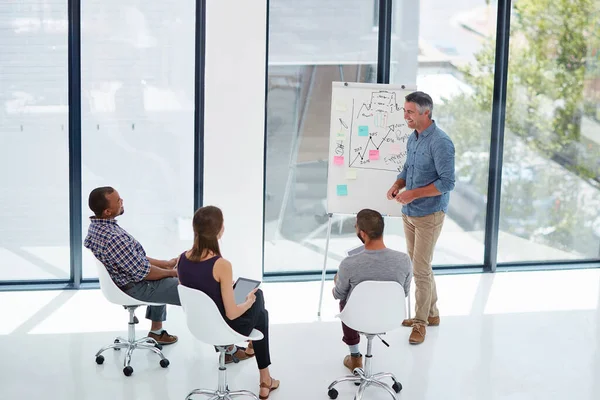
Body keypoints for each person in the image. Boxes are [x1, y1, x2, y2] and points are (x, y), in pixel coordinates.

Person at [177, 206, 280, 400]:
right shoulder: (221, 265)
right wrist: (249, 301)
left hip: (199, 325)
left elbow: (198, 291)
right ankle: (265, 379)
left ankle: (252, 353)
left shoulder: (182, 259)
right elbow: (232, 314)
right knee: (259, 302)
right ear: (219, 230)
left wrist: (224, 287)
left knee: (259, 312)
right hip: (226, 327)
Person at [386, 91, 455, 345]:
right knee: (421, 266)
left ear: (426, 113)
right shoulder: (412, 139)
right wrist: (398, 184)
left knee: (420, 269)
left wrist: (413, 194)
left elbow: (447, 183)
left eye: (410, 112)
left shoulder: (441, 142)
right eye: (405, 111)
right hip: (410, 213)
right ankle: (431, 314)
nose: (405, 116)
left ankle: (420, 322)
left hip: (429, 214)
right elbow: (407, 168)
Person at [83, 186, 181, 345]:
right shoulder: (113, 237)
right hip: (134, 287)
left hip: (124, 281)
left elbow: (134, 258)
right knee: (191, 290)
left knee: (165, 272)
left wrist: (167, 264)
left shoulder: (98, 227)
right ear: (107, 211)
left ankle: (156, 332)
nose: (122, 202)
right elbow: (143, 272)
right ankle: (227, 347)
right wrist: (174, 273)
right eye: (118, 201)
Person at [332, 209, 412, 372]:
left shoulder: (349, 264)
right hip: (390, 317)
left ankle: (355, 357)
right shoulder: (404, 260)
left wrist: (338, 279)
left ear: (362, 233)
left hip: (357, 319)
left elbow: (337, 294)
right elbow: (403, 293)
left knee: (345, 299)